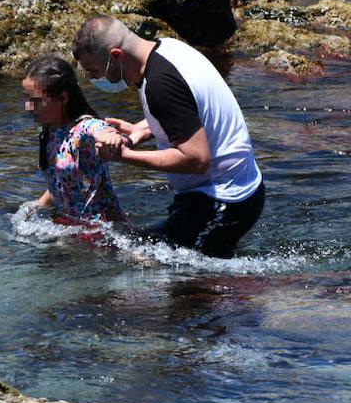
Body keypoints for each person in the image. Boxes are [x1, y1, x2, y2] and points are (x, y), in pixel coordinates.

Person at [72, 15, 265, 258]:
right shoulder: (168, 48)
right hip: (238, 190)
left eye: (94, 71)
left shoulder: (160, 84)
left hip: (224, 200)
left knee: (144, 262)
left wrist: (125, 156)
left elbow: (196, 160)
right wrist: (141, 129)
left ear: (116, 56)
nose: (93, 80)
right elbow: (189, 110)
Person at [22, 54, 126, 224]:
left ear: (63, 98)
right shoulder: (49, 130)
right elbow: (62, 181)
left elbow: (98, 128)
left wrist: (109, 136)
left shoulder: (82, 129)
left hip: (100, 230)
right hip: (67, 226)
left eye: (35, 100)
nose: (28, 107)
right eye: (26, 98)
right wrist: (38, 205)